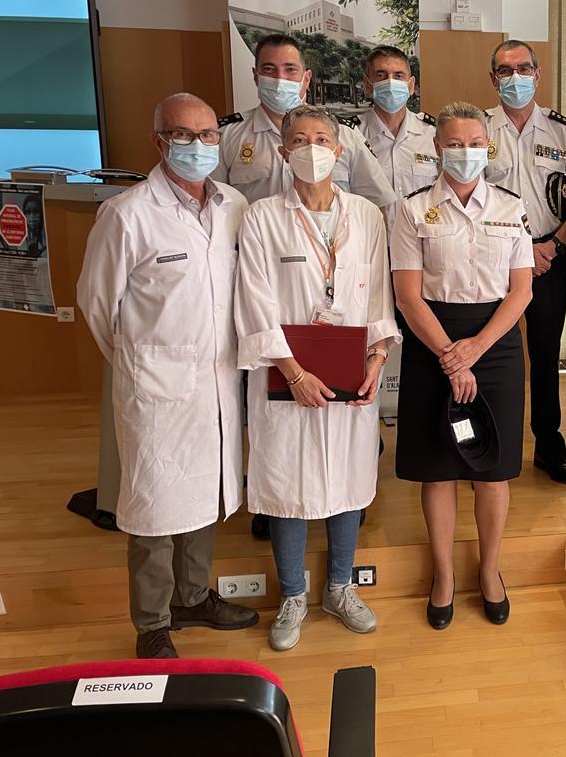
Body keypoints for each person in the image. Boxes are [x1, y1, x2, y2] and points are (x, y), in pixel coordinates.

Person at [77, 92, 257, 659]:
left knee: (206, 492)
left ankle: (195, 596)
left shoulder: (234, 206)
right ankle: (152, 621)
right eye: (184, 134)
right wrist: (145, 362)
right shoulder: (126, 213)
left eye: (208, 135)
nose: (199, 145)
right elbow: (98, 306)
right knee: (154, 505)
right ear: (160, 141)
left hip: (218, 383)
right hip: (156, 387)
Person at [234, 105, 400, 651]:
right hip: (287, 375)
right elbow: (254, 301)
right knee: (287, 484)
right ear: (283, 152)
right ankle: (293, 594)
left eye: (322, 138)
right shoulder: (261, 217)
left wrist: (376, 362)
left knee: (349, 479)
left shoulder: (367, 217)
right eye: (300, 139)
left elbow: (379, 295)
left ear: (340, 149)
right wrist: (294, 372)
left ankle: (340, 588)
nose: (312, 148)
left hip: (352, 372)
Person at [391, 101, 533, 629]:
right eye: (455, 143)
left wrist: (474, 349)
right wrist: (452, 356)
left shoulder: (512, 207)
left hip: (495, 342)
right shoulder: (410, 210)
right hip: (433, 340)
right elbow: (407, 296)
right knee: (439, 467)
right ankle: (444, 573)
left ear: (488, 148)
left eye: (475, 143)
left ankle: (490, 571)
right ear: (436, 148)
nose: (466, 152)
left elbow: (521, 292)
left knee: (493, 469)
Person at [483, 39, 566, 485]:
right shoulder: (479, 128)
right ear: (493, 79)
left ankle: (548, 448)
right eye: (504, 71)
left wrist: (555, 245)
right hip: (490, 258)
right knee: (488, 353)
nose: (515, 79)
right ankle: (487, 447)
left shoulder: (562, 131)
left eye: (523, 69)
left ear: (537, 74)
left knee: (544, 357)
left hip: (548, 255)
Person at [215, 33, 396, 212]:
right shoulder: (227, 135)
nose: (280, 78)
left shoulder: (344, 133)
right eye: (269, 69)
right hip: (258, 239)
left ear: (307, 78)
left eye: (290, 69)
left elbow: (377, 204)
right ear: (256, 76)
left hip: (334, 240)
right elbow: (212, 205)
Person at [361, 44, 439, 200]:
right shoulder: (353, 135)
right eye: (381, 75)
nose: (390, 83)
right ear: (368, 86)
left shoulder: (432, 134)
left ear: (410, 86)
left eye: (398, 76)